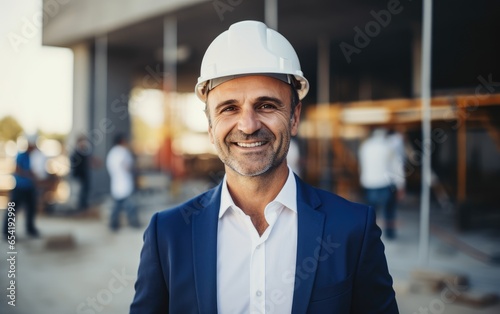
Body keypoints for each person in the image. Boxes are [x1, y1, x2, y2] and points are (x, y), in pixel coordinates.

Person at [130, 20, 398, 313]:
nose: (248, 126)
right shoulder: (167, 234)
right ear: (209, 126)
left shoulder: (352, 229)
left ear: (294, 117)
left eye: (267, 105)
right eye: (229, 108)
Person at [358, 127, 405, 240]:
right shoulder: (389, 146)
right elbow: (397, 167)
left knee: (369, 214)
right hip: (386, 184)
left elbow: (361, 165)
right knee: (389, 212)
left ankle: (368, 236)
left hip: (369, 184)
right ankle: (390, 234)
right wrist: (401, 185)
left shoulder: (365, 146)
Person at [3, 134, 41, 239]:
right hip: (20, 187)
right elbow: (17, 170)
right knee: (13, 210)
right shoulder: (21, 155)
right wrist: (29, 175)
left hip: (29, 187)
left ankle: (30, 229)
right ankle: (8, 232)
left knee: (31, 209)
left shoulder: (31, 156)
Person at [106, 133, 140, 231]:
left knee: (117, 206)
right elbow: (128, 166)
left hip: (116, 183)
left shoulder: (112, 153)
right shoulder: (124, 152)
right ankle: (134, 223)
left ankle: (113, 225)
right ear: (122, 141)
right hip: (125, 183)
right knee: (130, 205)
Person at [70, 135, 93, 211]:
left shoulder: (83, 152)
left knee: (84, 192)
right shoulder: (76, 152)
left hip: (84, 176)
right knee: (79, 193)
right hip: (79, 176)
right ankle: (80, 209)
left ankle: (83, 207)